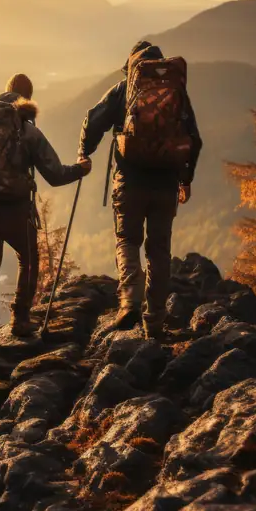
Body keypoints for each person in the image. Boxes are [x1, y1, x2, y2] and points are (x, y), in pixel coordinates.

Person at [0, 73, 92, 351]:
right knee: (29, 260)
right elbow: (55, 174)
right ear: (27, 98)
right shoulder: (27, 129)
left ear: (3, 93)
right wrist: (80, 169)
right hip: (16, 211)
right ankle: (21, 318)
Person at [78, 41, 202, 339]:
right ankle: (154, 322)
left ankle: (129, 301)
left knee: (127, 240)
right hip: (166, 183)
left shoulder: (124, 89)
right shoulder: (176, 93)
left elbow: (94, 120)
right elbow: (195, 139)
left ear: (132, 66)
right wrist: (186, 179)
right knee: (158, 251)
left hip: (130, 181)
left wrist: (85, 151)